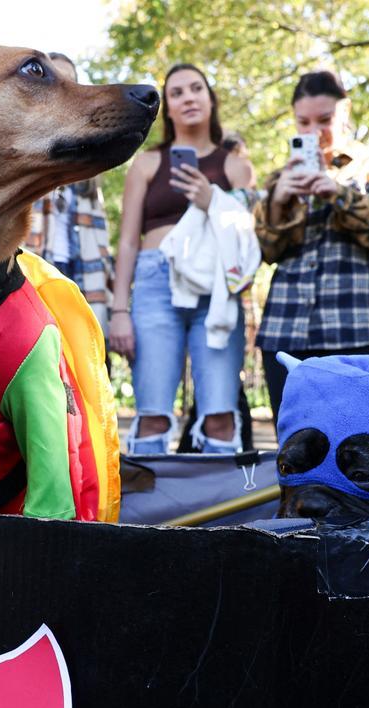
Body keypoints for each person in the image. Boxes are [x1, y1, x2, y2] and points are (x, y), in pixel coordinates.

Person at [108, 63, 256, 454]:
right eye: (177, 93)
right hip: (156, 281)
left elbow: (249, 237)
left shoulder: (237, 166)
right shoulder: (147, 163)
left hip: (217, 289)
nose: (188, 97)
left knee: (220, 416)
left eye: (196, 89)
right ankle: (148, 513)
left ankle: (222, 514)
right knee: (153, 412)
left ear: (210, 99)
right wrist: (119, 309)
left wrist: (213, 201)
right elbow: (127, 243)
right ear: (168, 108)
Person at [254, 71, 369, 418]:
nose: (314, 131)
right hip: (285, 328)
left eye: (324, 120)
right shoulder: (280, 178)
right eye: (303, 122)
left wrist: (338, 193)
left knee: (360, 437)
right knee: (295, 442)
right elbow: (265, 252)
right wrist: (279, 201)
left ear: (345, 113)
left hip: (354, 326)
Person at [27, 55, 116, 331]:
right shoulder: (25, 151)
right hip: (37, 270)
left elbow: (100, 237)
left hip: (81, 274)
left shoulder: (89, 167)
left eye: (71, 82)